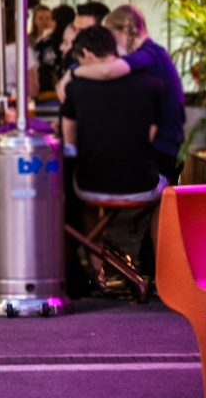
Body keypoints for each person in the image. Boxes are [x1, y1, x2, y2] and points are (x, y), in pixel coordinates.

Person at [59, 25, 167, 280]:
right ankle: (161, 272)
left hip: (91, 184)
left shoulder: (76, 89)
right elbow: (150, 136)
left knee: (86, 205)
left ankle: (97, 268)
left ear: (86, 54)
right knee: (167, 194)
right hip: (141, 182)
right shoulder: (152, 84)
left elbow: (70, 142)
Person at [66, 4, 185, 183]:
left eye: (112, 37)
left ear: (125, 30)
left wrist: (75, 72)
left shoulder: (149, 54)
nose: (112, 46)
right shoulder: (154, 53)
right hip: (164, 145)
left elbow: (108, 71)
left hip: (162, 148)